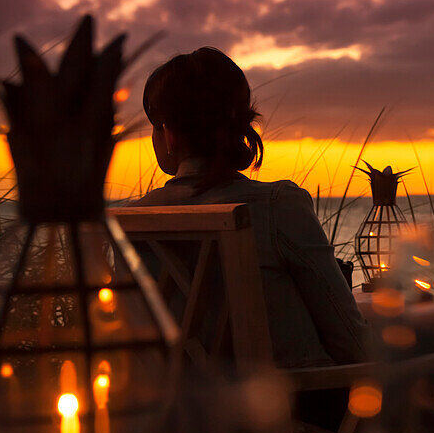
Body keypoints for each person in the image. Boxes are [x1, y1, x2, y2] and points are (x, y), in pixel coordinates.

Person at [135, 47, 368, 368]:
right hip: (288, 411)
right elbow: (352, 343)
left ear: (170, 135)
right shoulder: (278, 207)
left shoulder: (132, 223)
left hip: (181, 415)